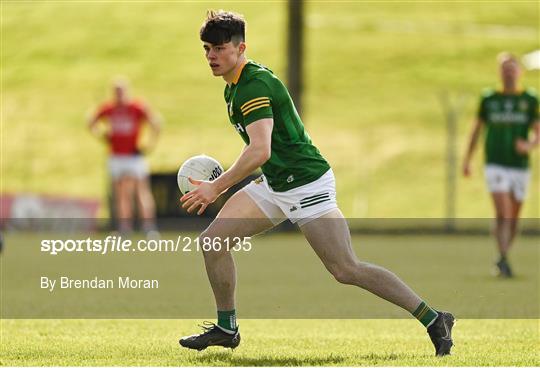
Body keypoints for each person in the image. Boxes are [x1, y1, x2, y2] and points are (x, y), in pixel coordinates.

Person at [179, 10, 454, 356]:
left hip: (307, 184)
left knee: (346, 269)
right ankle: (226, 327)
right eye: (206, 49)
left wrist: (216, 188)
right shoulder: (233, 88)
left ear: (241, 47)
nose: (211, 56)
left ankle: (434, 318)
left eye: (218, 48)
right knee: (214, 242)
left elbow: (260, 150)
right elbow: (263, 152)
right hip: (276, 183)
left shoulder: (254, 86)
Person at [463, 53, 539, 278]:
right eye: (504, 68)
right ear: (499, 72)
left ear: (519, 72)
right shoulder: (489, 99)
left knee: (513, 218)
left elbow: (537, 132)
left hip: (519, 166)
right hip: (495, 163)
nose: (508, 72)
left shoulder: (529, 99)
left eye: (512, 68)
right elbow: (477, 130)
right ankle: (503, 259)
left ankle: (502, 256)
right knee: (503, 212)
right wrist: (467, 159)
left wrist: (529, 145)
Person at [88, 79, 161, 236]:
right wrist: (102, 135)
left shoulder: (136, 107)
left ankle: (149, 226)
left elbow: (156, 122)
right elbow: (91, 121)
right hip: (116, 156)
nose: (119, 95)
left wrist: (150, 144)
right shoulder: (109, 108)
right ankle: (124, 227)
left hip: (134, 156)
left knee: (141, 191)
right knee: (121, 193)